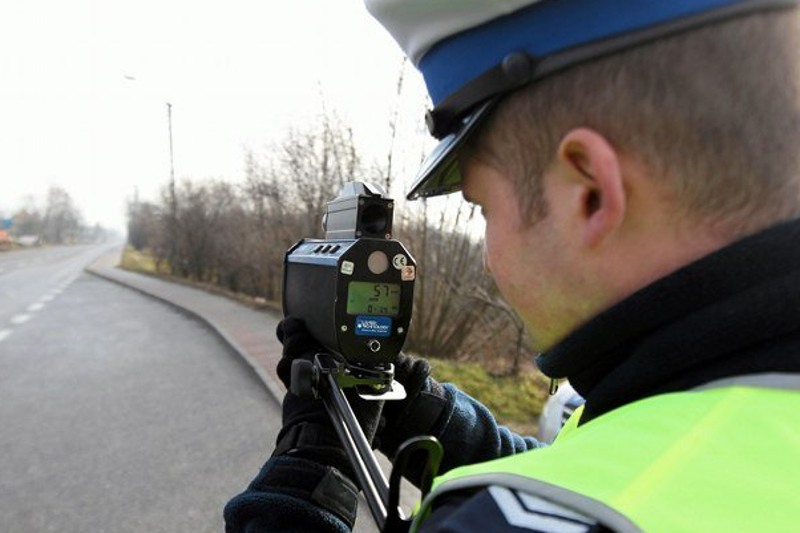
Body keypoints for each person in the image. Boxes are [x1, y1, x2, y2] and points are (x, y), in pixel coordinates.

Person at [225, 0, 800, 531]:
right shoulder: (717, 402)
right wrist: (422, 413)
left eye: (484, 209)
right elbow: (584, 468)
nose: (488, 256)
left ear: (589, 193)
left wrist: (307, 472)